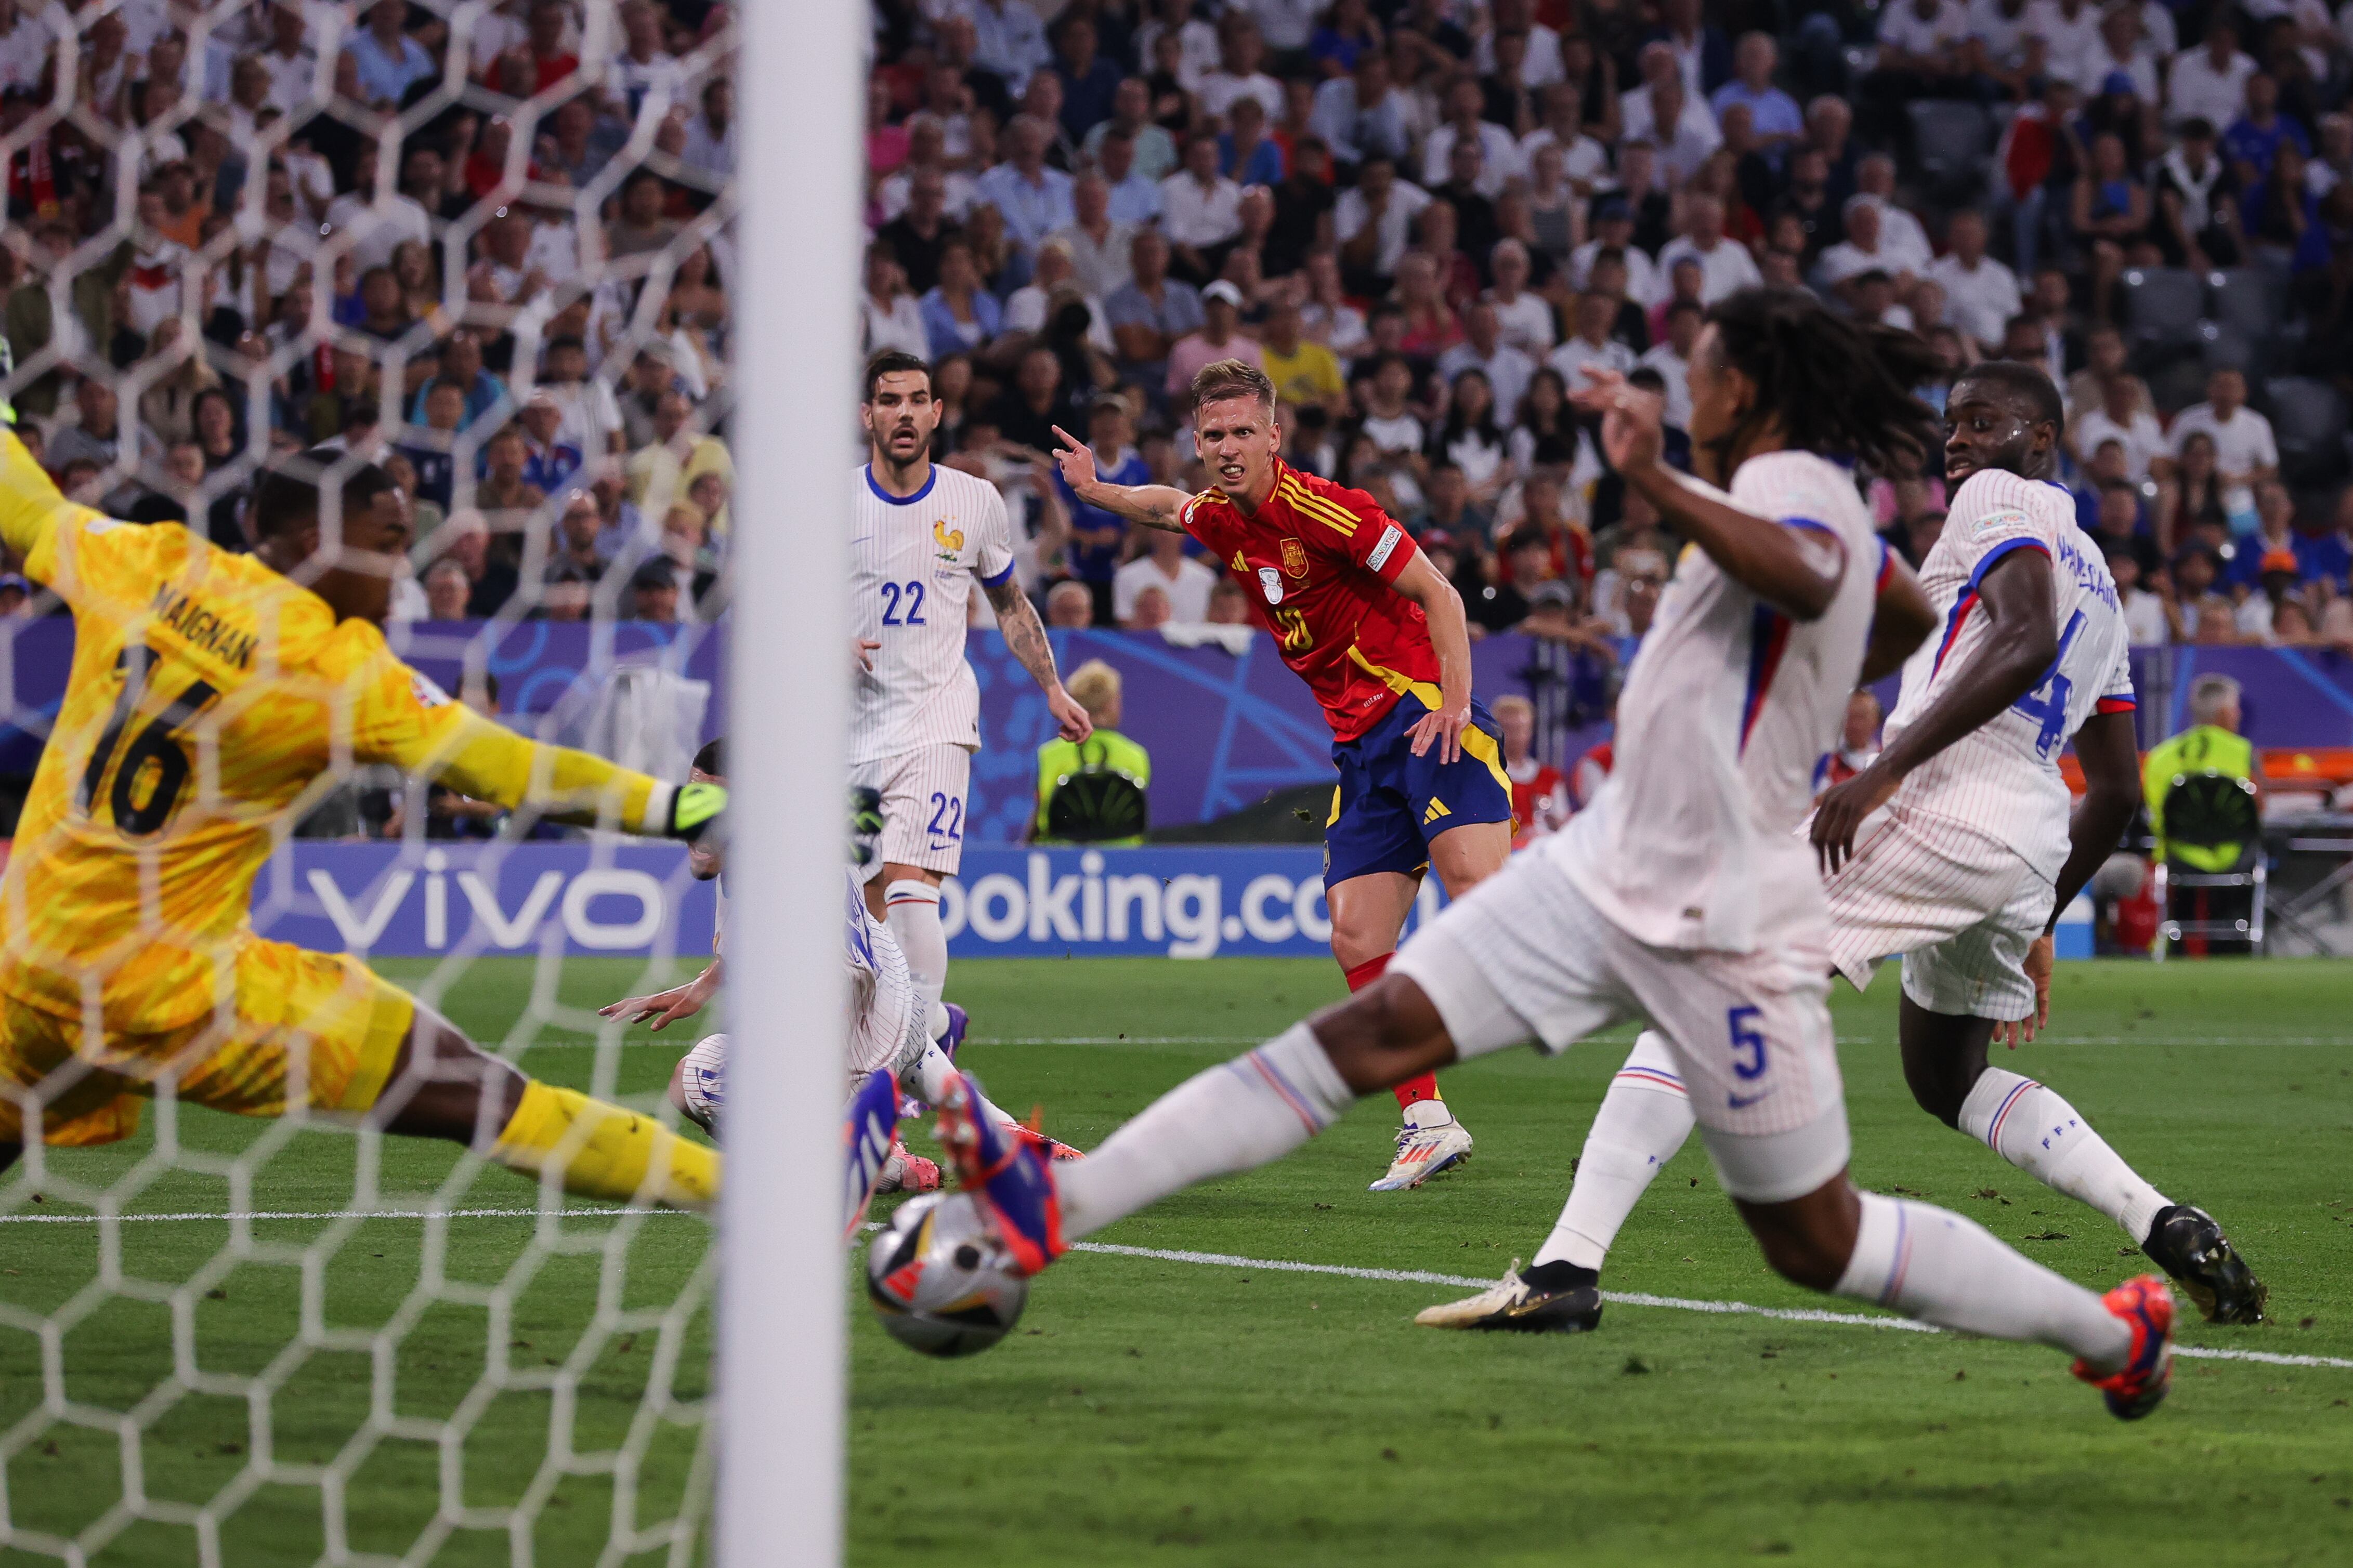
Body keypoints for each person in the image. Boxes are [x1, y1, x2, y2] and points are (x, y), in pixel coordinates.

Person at [962, 293, 2178, 1425]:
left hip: (1727, 906)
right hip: (1607, 867)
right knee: (1365, 1031)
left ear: (1741, 390)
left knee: (1816, 1241)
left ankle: (2109, 1331)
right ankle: (1055, 1208)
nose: (1680, 381)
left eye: (1698, 365)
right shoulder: (1772, 486)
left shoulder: (1798, 484)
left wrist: (1650, 479)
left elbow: (1821, 575)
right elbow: (1889, 613)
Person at [1427, 358, 2263, 1338]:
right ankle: (2162, 1219)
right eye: (1951, 424)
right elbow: (2115, 788)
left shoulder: (2001, 498)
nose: (1957, 441)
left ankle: (1567, 1266)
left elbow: (2025, 635)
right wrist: (2035, 912)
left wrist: (1884, 770)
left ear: (2041, 440)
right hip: (2025, 835)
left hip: (1943, 804)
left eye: (1982, 422)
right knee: (1943, 1076)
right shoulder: (2108, 590)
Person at [0, 434, 723, 1211]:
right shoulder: (333, 665)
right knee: (480, 1094)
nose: (401, 571)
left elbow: (28, 501)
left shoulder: (148, 562)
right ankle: (767, 1201)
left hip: (25, 962)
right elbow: (507, 768)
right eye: (387, 545)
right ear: (318, 543)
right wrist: (692, 807)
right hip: (170, 990)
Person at [1053, 356, 1512, 1191]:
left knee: (1480, 893)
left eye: (1242, 433)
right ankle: (1428, 1122)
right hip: (1360, 751)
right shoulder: (1224, 519)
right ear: (1198, 443)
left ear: (1275, 435)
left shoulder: (1329, 509)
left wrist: (1453, 703)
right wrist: (1095, 493)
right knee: (1357, 936)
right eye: (1213, 436)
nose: (1228, 448)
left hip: (1420, 713)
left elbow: (1440, 593)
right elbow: (1164, 508)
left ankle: (1643, 965)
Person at [854, 351, 1092, 1055]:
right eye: (888, 400)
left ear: (936, 413)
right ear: (868, 415)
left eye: (917, 399)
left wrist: (1050, 686)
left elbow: (1010, 602)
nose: (903, 412)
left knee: (907, 884)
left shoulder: (974, 501)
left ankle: (907, 1064)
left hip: (938, 721)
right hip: (853, 733)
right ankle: (933, 1029)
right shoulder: (831, 503)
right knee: (860, 915)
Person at [1034, 661, 1153, 845]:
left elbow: (1041, 815)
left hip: (1060, 857)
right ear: (1111, 704)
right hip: (1122, 861)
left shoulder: (1048, 755)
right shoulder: (1136, 755)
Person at [1491, 693, 1567, 846]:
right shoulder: (1487, 776)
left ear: (1530, 731)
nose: (1516, 737)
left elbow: (1563, 826)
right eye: (1509, 729)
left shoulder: (1550, 777)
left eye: (1521, 729)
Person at [1813, 688, 1881, 792]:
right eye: (1851, 717)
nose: (1856, 725)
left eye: (1862, 717)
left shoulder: (1887, 760)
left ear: (1876, 720)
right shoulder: (1825, 760)